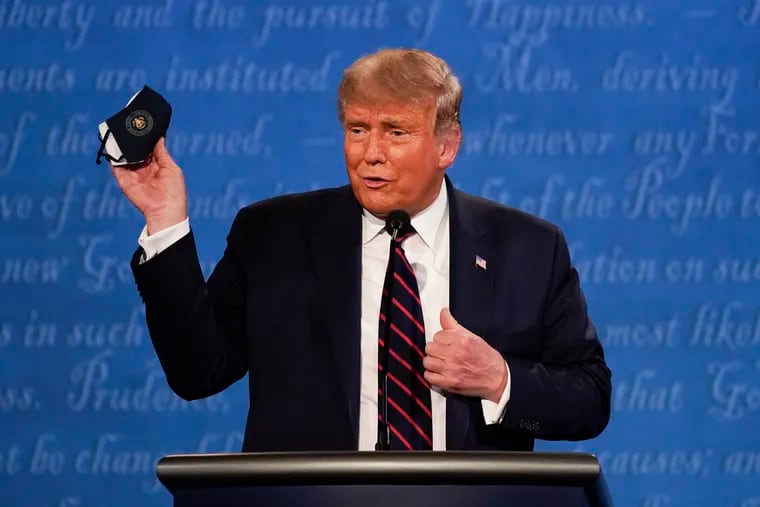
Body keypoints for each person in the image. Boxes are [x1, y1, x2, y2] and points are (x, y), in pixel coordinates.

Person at [111, 48, 611, 452]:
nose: (371, 152)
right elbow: (198, 371)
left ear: (446, 146)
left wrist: (499, 379)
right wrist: (164, 221)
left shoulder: (528, 248)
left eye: (395, 132)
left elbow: (589, 398)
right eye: (357, 129)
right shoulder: (271, 235)